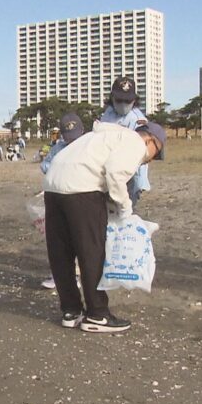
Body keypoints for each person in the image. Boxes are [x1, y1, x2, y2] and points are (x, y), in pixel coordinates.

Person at [43, 120, 166, 333]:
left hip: (53, 188)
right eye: (156, 153)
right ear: (150, 139)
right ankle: (97, 314)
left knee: (61, 252)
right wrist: (126, 211)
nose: (150, 160)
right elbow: (115, 174)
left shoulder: (99, 136)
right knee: (92, 252)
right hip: (82, 189)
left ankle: (71, 311)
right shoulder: (134, 141)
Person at [39, 113, 85, 289]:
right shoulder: (58, 147)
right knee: (60, 239)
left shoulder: (89, 146)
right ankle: (59, 276)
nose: (71, 141)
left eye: (75, 137)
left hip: (81, 198)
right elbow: (44, 166)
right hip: (58, 196)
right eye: (68, 137)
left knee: (80, 238)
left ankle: (80, 275)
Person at [100, 76, 152, 209]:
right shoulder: (108, 114)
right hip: (105, 171)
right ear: (112, 98)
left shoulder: (137, 120)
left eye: (127, 101)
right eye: (119, 100)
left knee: (124, 212)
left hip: (129, 174)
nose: (123, 104)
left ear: (134, 100)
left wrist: (139, 184)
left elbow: (140, 154)